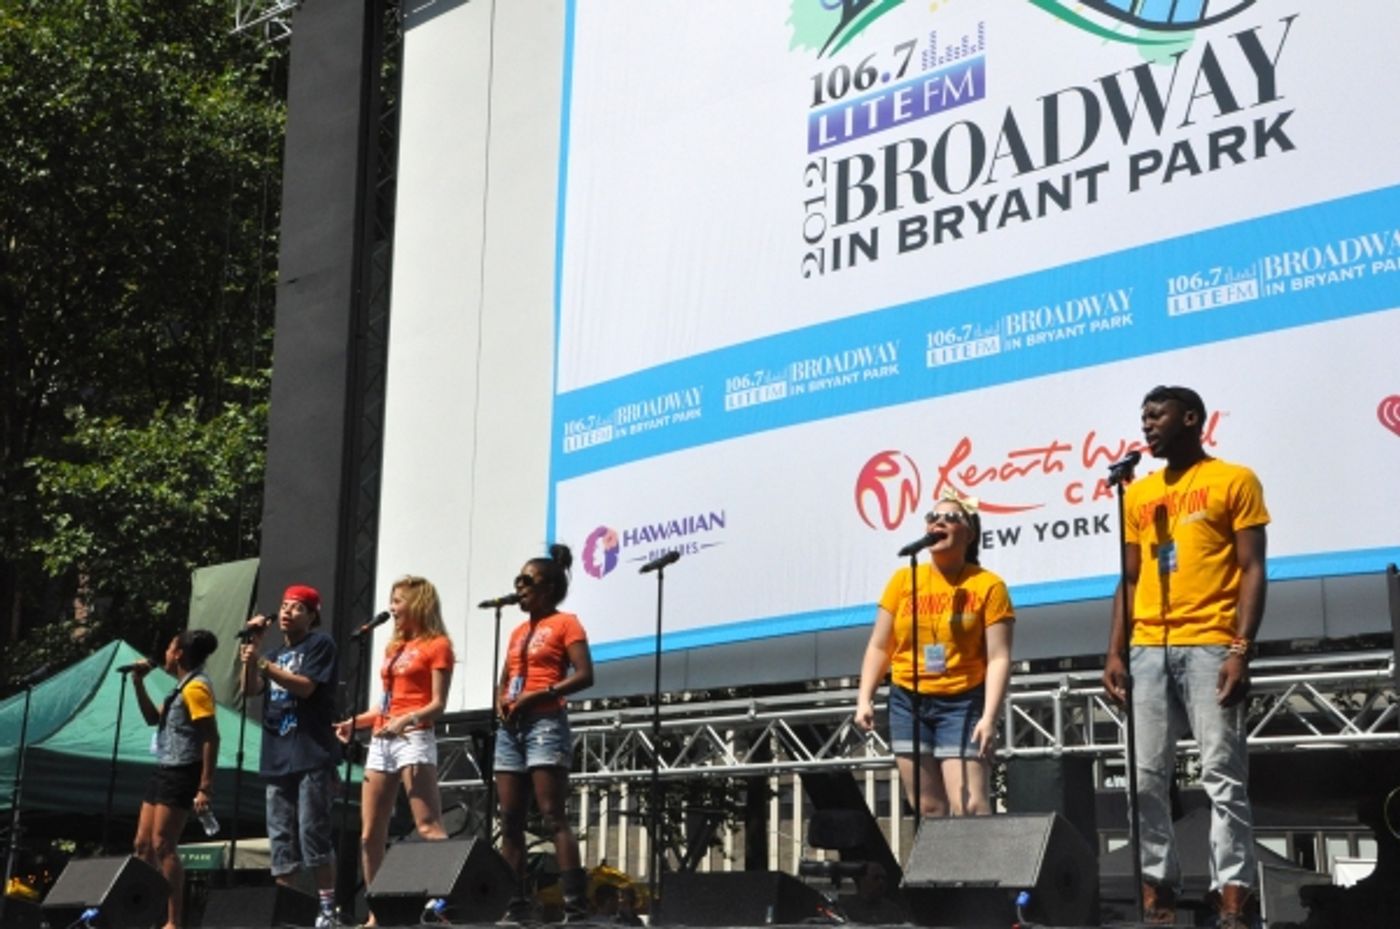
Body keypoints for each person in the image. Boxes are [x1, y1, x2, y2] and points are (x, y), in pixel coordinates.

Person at [1102, 385, 1268, 929]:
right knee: (1146, 778)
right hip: (1147, 647)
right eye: (1143, 416)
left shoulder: (1233, 480)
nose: (1147, 424)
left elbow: (1252, 570)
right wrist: (1115, 652)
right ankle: (1159, 888)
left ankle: (1234, 896)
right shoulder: (1140, 493)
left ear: (1190, 418)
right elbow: (1129, 578)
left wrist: (1240, 649)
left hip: (1210, 644)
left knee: (1222, 774)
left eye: (1158, 415)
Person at [854, 488, 1015, 816]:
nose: (939, 522)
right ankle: (943, 869)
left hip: (963, 700)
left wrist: (989, 717)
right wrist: (864, 697)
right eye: (933, 517)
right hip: (907, 702)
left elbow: (999, 657)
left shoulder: (987, 586)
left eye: (951, 517)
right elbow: (879, 645)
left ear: (968, 534)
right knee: (928, 806)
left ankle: (984, 868)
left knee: (968, 805)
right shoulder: (904, 580)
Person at [334, 576, 453, 922]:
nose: (392, 608)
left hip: (414, 737)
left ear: (418, 604)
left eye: (398, 601)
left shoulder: (437, 644)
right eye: (392, 600)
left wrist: (406, 721)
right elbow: (384, 706)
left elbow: (438, 704)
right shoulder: (392, 649)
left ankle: (446, 899)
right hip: (382, 741)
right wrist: (356, 722)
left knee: (428, 824)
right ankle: (378, 913)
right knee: (371, 832)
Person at [494, 544, 594, 923]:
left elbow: (585, 675)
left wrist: (540, 694)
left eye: (527, 582)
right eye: (517, 581)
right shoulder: (518, 629)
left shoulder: (567, 623)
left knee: (553, 815)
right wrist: (500, 701)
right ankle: (515, 905)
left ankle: (575, 906)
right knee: (510, 820)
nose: (519, 588)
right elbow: (506, 677)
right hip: (512, 728)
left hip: (545, 724)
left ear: (549, 588)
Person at [239, 585, 340, 929]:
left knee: (313, 831)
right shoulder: (273, 652)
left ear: (312, 615)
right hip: (276, 752)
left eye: (296, 608)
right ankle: (287, 910)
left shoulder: (319, 644)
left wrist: (262, 663)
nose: (286, 612)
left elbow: (306, 686)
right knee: (280, 837)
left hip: (310, 751)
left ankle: (327, 909)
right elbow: (250, 689)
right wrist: (252, 651)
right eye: (283, 606)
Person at [131, 629, 220, 929]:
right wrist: (138, 682)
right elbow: (151, 718)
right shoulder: (179, 688)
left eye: (169, 648)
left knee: (163, 844)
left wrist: (205, 786)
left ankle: (173, 921)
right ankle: (141, 914)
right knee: (142, 844)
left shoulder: (196, 688)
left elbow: (211, 736)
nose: (166, 654)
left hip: (182, 771)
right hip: (163, 768)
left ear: (179, 653)